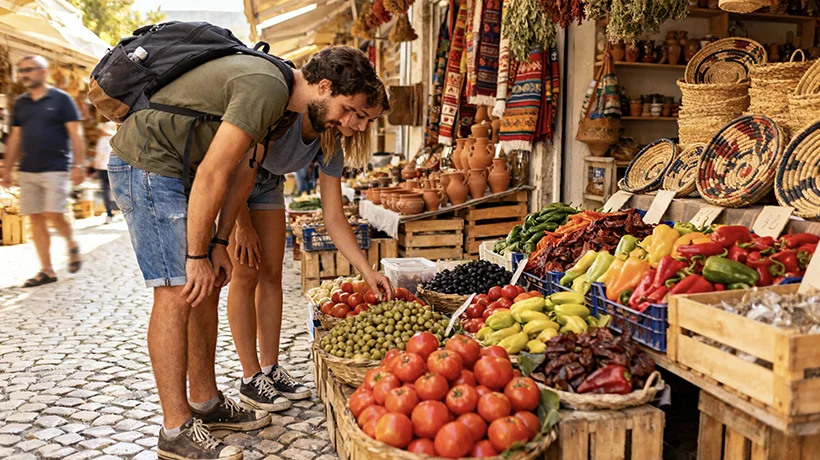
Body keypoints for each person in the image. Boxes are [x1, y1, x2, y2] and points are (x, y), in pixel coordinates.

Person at [106, 45, 391, 460]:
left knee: (204, 287)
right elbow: (215, 171)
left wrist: (218, 243)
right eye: (349, 111)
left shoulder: (284, 107)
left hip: (180, 169)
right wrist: (198, 254)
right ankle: (175, 430)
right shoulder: (267, 88)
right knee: (176, 291)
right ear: (324, 86)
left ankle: (205, 401)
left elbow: (243, 173)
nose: (352, 125)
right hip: (150, 162)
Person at [218, 89, 390, 413]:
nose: (363, 127)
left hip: (268, 182)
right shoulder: (287, 113)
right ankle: (250, 377)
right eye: (362, 116)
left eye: (370, 121)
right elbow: (232, 164)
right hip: (233, 175)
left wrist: (367, 272)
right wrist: (241, 225)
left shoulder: (331, 144)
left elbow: (334, 217)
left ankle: (269, 368)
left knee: (272, 273)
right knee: (246, 273)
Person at [1, 55, 85, 287]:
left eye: (29, 69)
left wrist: (78, 165)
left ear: (43, 72)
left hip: (56, 168)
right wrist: (7, 169)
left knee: (54, 214)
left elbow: (75, 135)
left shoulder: (62, 99)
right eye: (21, 70)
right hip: (28, 169)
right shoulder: (20, 103)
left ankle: (71, 242)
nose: (24, 74)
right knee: (35, 218)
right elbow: (15, 137)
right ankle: (47, 270)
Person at [94, 121, 117, 224]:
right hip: (115, 168)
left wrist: (96, 167)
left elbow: (99, 155)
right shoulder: (117, 139)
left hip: (103, 168)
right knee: (117, 190)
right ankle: (119, 211)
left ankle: (109, 213)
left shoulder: (102, 141)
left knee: (106, 191)